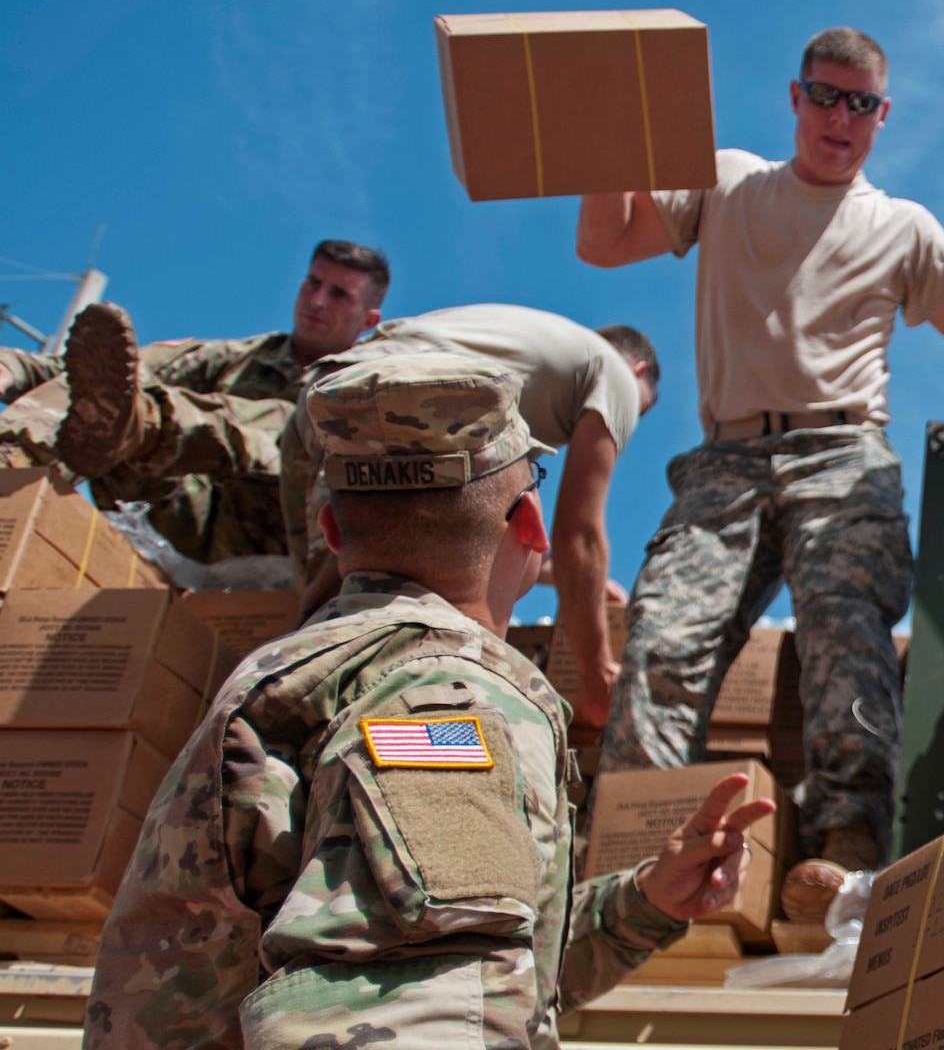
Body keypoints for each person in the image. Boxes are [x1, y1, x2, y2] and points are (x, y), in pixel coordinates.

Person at [85, 354, 772, 1049]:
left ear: (330, 531)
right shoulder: (442, 696)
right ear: (530, 522)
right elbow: (414, 1020)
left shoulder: (287, 671)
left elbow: (472, 971)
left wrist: (646, 900)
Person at [574, 26, 944, 897]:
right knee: (663, 642)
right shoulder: (728, 179)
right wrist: (611, 140)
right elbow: (607, 240)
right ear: (795, 98)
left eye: (860, 103)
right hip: (728, 459)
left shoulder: (902, 228)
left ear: (883, 116)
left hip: (843, 454)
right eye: (824, 95)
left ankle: (848, 845)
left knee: (845, 631)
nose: (839, 116)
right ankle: (634, 866)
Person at [281, 303, 660, 722]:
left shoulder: (545, 349)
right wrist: (596, 676)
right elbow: (579, 536)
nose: (626, 425)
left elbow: (494, 533)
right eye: (639, 414)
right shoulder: (617, 376)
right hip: (391, 408)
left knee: (332, 612)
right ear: (638, 369)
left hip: (328, 396)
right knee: (377, 632)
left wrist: (567, 580)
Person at [0, 240, 389, 563]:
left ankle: (143, 421)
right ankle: (9, 469)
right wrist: (10, 367)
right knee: (115, 386)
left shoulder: (360, 388)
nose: (317, 301)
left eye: (338, 294)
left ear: (368, 320)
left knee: (293, 420)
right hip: (185, 522)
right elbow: (89, 373)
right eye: (312, 283)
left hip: (281, 546)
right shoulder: (237, 357)